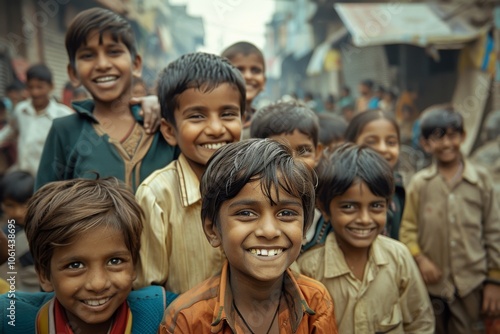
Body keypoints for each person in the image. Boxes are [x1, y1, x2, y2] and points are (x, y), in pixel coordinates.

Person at [160, 139, 338, 333]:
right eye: (246, 213)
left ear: (304, 228)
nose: (269, 231)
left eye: (286, 213)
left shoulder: (316, 301)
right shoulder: (187, 319)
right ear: (213, 230)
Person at [0, 177, 177, 333]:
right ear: (44, 275)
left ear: (134, 265)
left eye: (115, 261)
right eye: (75, 265)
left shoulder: (163, 312)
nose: (98, 284)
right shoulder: (10, 317)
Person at [133, 52, 244, 294]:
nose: (216, 129)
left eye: (227, 114)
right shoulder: (156, 197)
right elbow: (148, 294)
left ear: (243, 120)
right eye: (196, 116)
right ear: (170, 131)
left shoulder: (257, 185)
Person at [295, 143, 434, 333]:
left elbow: (420, 321)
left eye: (376, 206)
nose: (364, 219)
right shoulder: (309, 269)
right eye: (349, 207)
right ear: (325, 209)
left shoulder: (399, 257)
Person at [35, 8, 177, 192]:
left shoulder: (163, 124)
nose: (102, 65)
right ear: (73, 73)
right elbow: (43, 206)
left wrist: (164, 106)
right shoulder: (64, 131)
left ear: (136, 65)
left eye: (114, 52)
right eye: (88, 55)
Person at [399, 105, 500, 334]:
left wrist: (495, 280)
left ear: (463, 137)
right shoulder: (419, 184)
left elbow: (495, 231)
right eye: (438, 138)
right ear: (425, 144)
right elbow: (407, 229)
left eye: (452, 136)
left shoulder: (481, 180)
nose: (446, 144)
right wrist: (421, 259)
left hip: (473, 282)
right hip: (431, 286)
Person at [250, 101, 327, 252]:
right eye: (279, 151)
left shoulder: (328, 220)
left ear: (317, 153)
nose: (293, 162)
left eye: (303, 151)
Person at [0, 64, 73, 177]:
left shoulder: (64, 115)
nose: (35, 92)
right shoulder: (21, 110)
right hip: (22, 177)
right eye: (31, 87)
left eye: (40, 87)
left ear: (51, 86)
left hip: (48, 180)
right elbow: (8, 132)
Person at [344, 109, 404, 240]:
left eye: (391, 142)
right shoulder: (342, 186)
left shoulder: (399, 188)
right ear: (351, 144)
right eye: (371, 142)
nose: (382, 148)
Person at [0, 171, 38, 292]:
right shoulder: (5, 234)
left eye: (25, 204)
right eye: (10, 206)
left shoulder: (45, 228)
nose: (18, 212)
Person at [221, 41, 266, 139]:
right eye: (239, 70)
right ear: (221, 78)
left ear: (264, 81)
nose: (248, 76)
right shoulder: (215, 123)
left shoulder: (268, 124)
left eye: (255, 70)